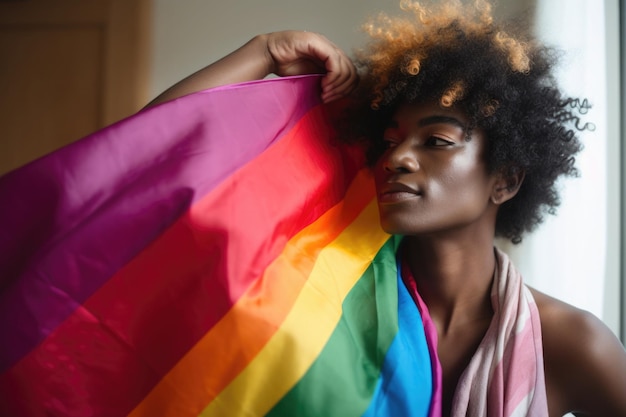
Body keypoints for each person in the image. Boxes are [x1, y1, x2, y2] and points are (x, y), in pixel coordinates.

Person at [148, 1, 625, 416]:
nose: (397, 158)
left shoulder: (567, 343)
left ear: (505, 179)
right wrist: (265, 51)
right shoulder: (321, 300)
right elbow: (152, 163)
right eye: (390, 140)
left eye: (436, 141)